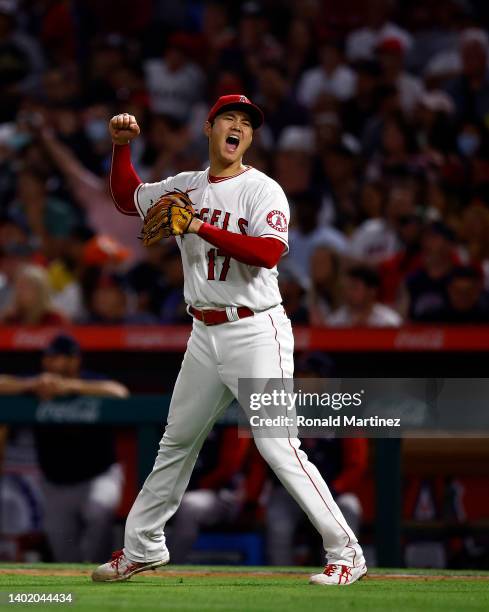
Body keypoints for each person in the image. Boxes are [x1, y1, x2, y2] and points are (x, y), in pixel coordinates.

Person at [92, 95, 367, 585]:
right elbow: (125, 196)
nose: (237, 126)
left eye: (246, 122)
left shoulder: (264, 190)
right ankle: (143, 547)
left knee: (277, 443)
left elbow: (266, 253)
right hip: (203, 332)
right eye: (228, 119)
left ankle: (346, 552)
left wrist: (197, 223)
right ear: (209, 128)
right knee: (176, 441)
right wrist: (120, 149)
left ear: (251, 138)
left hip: (256, 328)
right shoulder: (184, 186)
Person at [0, 334, 129, 562]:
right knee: (64, 553)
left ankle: (105, 569)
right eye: (49, 358)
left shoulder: (88, 380)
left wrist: (69, 387)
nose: (51, 363)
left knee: (99, 510)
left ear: (74, 360)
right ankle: (75, 590)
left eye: (58, 358)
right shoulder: (38, 384)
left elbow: (120, 392)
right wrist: (32, 384)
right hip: (56, 484)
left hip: (98, 476)